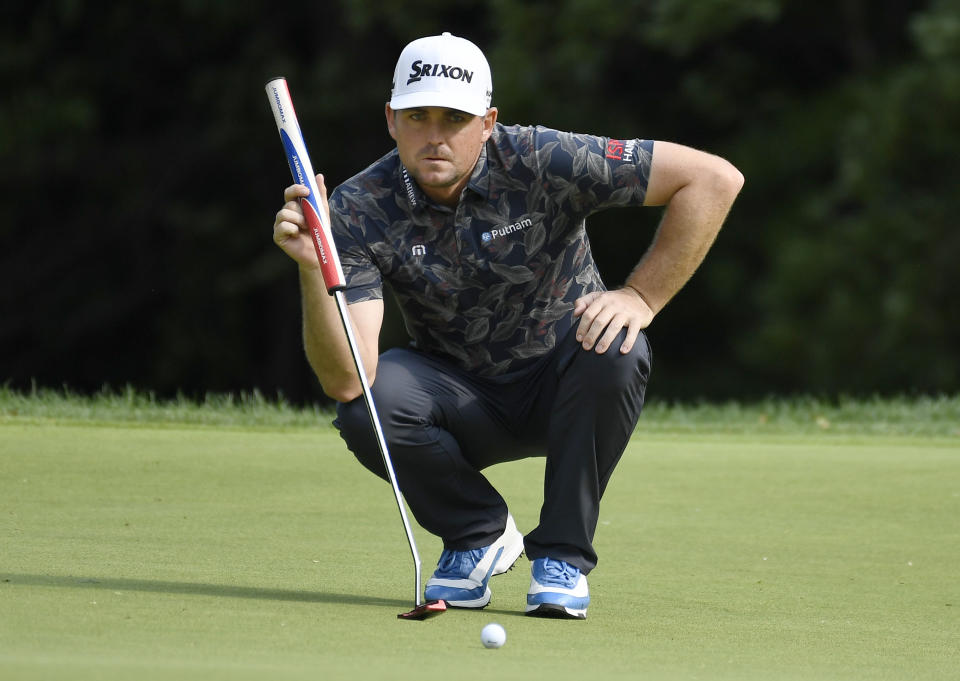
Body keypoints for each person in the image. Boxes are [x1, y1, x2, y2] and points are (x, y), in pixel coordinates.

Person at [272, 32, 743, 619]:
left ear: (489, 121)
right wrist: (316, 269)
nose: (436, 135)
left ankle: (563, 557)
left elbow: (714, 179)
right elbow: (347, 378)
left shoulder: (543, 159)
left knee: (620, 344)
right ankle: (477, 533)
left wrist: (640, 296)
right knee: (368, 401)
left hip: (567, 384)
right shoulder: (358, 206)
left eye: (455, 117)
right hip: (461, 401)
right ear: (391, 120)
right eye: (418, 116)